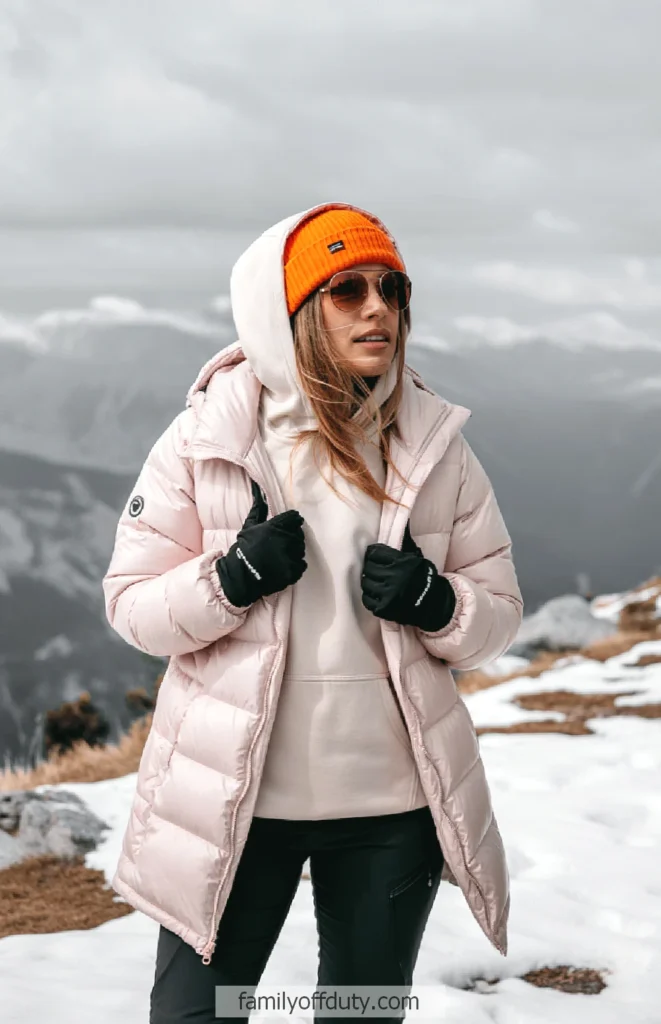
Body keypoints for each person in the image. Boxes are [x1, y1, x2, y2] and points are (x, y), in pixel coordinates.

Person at [102, 203, 524, 1023]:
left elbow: (499, 614)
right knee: (196, 1016)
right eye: (347, 290)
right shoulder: (203, 441)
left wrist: (439, 601)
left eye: (391, 289)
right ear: (287, 311)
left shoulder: (435, 445)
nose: (378, 309)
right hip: (231, 807)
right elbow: (131, 607)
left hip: (391, 811)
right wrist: (228, 579)